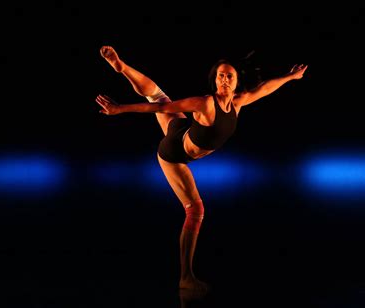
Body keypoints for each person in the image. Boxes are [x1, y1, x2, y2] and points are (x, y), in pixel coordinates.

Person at [95, 45, 308, 292]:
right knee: (195, 210)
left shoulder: (238, 102)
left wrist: (292, 76)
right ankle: (186, 278)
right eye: (220, 75)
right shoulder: (206, 103)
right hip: (174, 153)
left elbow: (265, 88)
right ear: (214, 81)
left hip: (179, 130)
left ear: (237, 81)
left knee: (156, 94)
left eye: (229, 75)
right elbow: (163, 110)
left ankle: (122, 67)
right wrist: (120, 109)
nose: (225, 79)